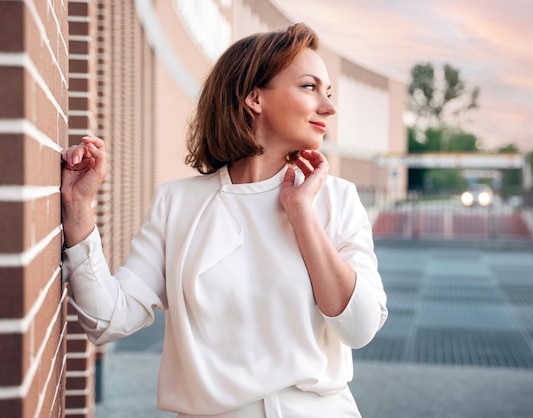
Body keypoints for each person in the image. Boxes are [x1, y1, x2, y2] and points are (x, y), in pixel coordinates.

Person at [61, 22, 387, 417]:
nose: (329, 106)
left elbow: (360, 327)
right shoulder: (177, 203)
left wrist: (302, 213)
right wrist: (78, 209)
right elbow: (108, 320)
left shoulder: (337, 199)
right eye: (309, 87)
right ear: (254, 97)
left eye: (328, 92)